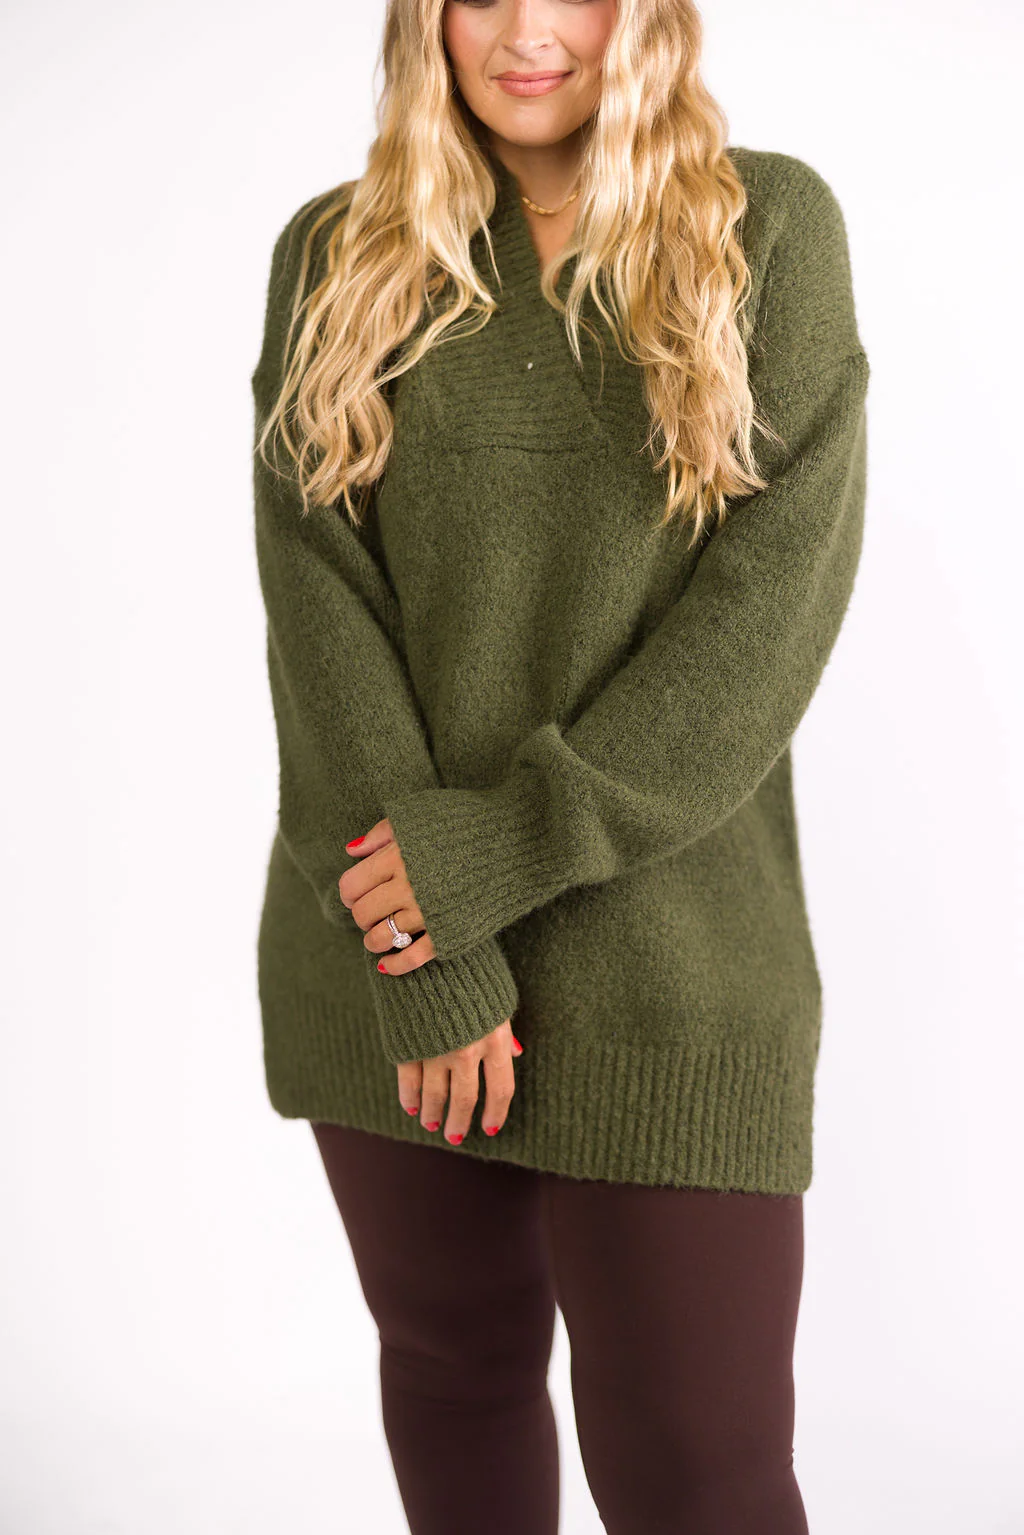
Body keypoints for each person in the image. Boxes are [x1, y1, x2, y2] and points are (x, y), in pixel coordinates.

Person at [249, 0, 870, 1529]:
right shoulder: (335, 258)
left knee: (704, 1477)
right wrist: (423, 948)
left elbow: (763, 625)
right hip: (384, 953)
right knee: (454, 1383)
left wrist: (494, 854)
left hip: (669, 960)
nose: (528, 29)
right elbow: (320, 623)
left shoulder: (765, 233)